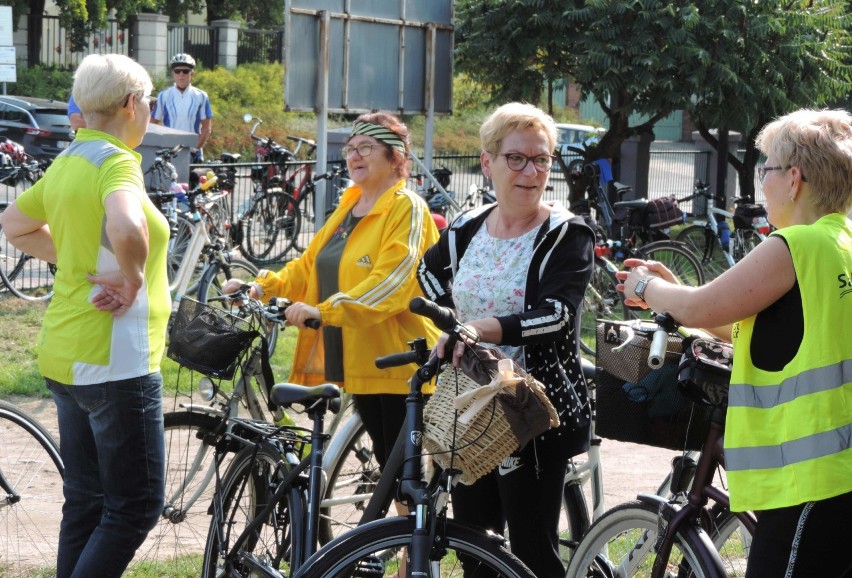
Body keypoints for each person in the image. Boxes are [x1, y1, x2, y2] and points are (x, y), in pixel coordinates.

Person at [617, 108, 852, 578]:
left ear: (795, 179)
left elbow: (704, 308)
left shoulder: (795, 245)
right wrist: (678, 295)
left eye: (765, 169)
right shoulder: (840, 242)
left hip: (807, 481)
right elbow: (766, 325)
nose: (761, 182)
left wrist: (645, 288)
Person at [0, 54, 170, 578]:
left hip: (66, 355)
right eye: (149, 103)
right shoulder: (117, 161)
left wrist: (77, 259)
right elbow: (125, 225)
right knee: (134, 508)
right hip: (115, 361)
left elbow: (14, 223)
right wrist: (132, 276)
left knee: (87, 502)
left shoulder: (71, 159)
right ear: (130, 104)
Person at [417, 101, 595, 578]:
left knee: (531, 553)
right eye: (516, 158)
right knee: (476, 549)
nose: (530, 171)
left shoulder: (566, 234)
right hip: (472, 403)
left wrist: (480, 329)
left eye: (541, 159)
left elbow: (556, 315)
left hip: (533, 411)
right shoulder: (465, 228)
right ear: (488, 161)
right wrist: (453, 324)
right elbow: (426, 275)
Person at [223, 112, 440, 473]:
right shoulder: (349, 206)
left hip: (400, 365)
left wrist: (325, 311)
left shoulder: (407, 208)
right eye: (350, 148)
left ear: (395, 157)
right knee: (392, 470)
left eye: (366, 148)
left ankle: (417, 531)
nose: (354, 156)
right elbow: (309, 264)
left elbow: (394, 281)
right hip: (360, 361)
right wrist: (261, 286)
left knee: (406, 477)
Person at [151, 53, 213, 162]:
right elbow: (152, 124)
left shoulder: (201, 96)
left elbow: (206, 128)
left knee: (195, 179)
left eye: (185, 71)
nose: (181, 75)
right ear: (172, 73)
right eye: (177, 71)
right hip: (169, 151)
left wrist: (196, 148)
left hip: (193, 151)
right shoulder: (163, 96)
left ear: (192, 73)